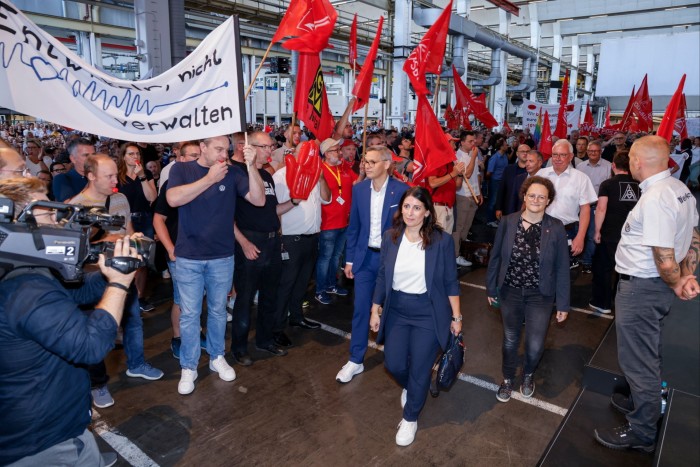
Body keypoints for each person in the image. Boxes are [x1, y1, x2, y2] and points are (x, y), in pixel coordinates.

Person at [0, 177, 139, 466]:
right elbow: (91, 346)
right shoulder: (28, 290)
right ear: (19, 222)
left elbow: (74, 293)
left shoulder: (20, 270)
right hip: (46, 440)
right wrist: (119, 284)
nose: (58, 220)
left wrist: (108, 269)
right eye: (49, 213)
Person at [594, 136, 700, 452]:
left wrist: (677, 280)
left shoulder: (655, 198)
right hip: (651, 288)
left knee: (638, 360)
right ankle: (645, 405)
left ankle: (642, 431)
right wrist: (689, 273)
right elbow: (694, 235)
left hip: (642, 288)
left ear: (638, 162)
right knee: (648, 352)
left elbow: (664, 255)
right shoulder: (679, 190)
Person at [167, 135, 265, 395]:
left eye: (227, 149)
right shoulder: (182, 168)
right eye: (219, 148)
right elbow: (173, 199)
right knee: (189, 315)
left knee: (219, 311)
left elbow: (258, 199)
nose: (224, 153)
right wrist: (209, 178)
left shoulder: (233, 173)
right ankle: (189, 366)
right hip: (189, 256)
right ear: (203, 148)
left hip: (222, 256)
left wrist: (252, 166)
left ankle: (216, 356)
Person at [369, 186, 461, 447]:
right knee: (394, 364)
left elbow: (451, 281)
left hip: (428, 313)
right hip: (397, 309)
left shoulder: (441, 241)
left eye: (417, 207)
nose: (411, 212)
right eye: (407, 206)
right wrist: (375, 309)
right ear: (401, 209)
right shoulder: (390, 237)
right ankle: (413, 387)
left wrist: (456, 317)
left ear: (427, 212)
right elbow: (382, 275)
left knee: (420, 368)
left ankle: (410, 418)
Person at [486, 176, 570, 403]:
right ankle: (507, 378)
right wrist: (491, 289)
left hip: (540, 295)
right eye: (532, 195)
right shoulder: (507, 222)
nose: (536, 199)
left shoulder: (556, 227)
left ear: (548, 200)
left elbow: (562, 267)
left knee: (534, 344)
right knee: (510, 340)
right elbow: (495, 258)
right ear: (524, 196)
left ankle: (528, 374)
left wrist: (562, 303)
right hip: (509, 291)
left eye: (541, 196)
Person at [336, 146, 409, 383]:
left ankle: (400, 357)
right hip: (365, 259)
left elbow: (408, 229)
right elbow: (354, 227)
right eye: (365, 161)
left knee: (395, 310)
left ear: (387, 164)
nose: (366, 165)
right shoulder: (358, 190)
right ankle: (355, 360)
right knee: (361, 310)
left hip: (392, 261)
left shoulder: (402, 191)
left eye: (372, 162)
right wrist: (349, 260)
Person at [231, 131, 296, 365]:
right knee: (245, 299)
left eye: (271, 146)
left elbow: (273, 210)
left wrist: (294, 202)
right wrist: (244, 242)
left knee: (271, 296)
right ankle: (239, 348)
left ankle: (265, 340)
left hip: (271, 242)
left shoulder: (267, 177)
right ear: (248, 147)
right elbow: (226, 217)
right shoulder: (235, 173)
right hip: (250, 242)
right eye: (267, 147)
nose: (271, 150)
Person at [152, 141, 202, 359]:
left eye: (199, 154)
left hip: (204, 252)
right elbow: (158, 220)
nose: (198, 159)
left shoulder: (207, 181)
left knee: (198, 299)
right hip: (181, 253)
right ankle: (178, 337)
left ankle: (196, 334)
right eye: (193, 155)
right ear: (180, 159)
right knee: (182, 301)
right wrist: (171, 249)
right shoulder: (171, 184)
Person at [590, 151, 639, 314]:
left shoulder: (607, 184)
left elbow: (601, 208)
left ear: (613, 165)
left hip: (610, 234)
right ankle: (622, 303)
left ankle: (602, 304)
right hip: (632, 235)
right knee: (625, 270)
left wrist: (597, 230)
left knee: (603, 269)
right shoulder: (639, 184)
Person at [536, 139, 597, 269]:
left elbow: (585, 209)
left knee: (564, 274)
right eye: (555, 154)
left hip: (567, 232)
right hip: (540, 230)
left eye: (562, 155)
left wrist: (580, 237)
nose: (558, 158)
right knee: (539, 270)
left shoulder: (581, 178)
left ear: (570, 156)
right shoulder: (541, 175)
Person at [314, 138, 357, 305]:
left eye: (339, 149)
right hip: (327, 222)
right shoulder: (320, 169)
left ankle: (331, 285)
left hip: (344, 221)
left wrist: (360, 173)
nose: (339, 152)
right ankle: (320, 290)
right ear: (326, 153)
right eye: (335, 150)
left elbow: (356, 183)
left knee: (336, 257)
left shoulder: (343, 167)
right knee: (325, 257)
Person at [577, 140, 612, 273]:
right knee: (579, 232)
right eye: (590, 151)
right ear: (587, 152)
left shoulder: (608, 166)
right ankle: (578, 258)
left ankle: (587, 261)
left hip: (597, 207)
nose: (593, 153)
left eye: (596, 151)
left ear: (600, 152)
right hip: (580, 206)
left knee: (592, 234)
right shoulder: (580, 167)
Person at [453, 131, 482, 267]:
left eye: (474, 141)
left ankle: (461, 250)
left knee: (467, 227)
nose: (473, 143)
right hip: (462, 195)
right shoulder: (458, 156)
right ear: (462, 142)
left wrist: (479, 192)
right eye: (470, 141)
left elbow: (476, 174)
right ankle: (455, 255)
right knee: (459, 227)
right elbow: (468, 174)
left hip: (473, 194)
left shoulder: (472, 154)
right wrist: (474, 156)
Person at [52, 137, 95, 202]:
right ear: (73, 159)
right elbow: (69, 205)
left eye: (93, 155)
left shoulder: (99, 176)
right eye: (86, 155)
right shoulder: (62, 179)